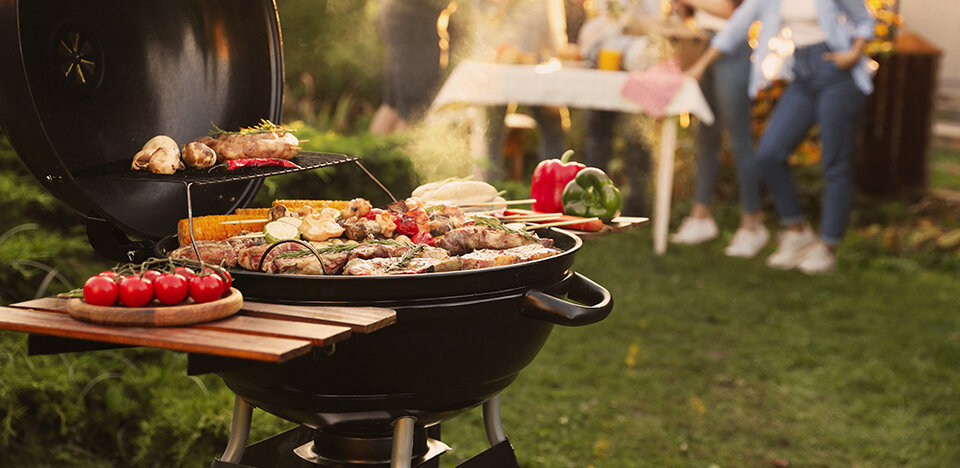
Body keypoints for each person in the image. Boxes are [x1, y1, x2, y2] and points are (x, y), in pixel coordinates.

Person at [685, 0, 875, 273]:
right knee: (769, 154)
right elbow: (736, 26)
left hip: (837, 74)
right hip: (803, 72)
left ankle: (828, 246)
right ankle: (797, 232)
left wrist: (854, 53)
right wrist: (702, 65)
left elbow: (865, 19)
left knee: (835, 164)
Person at [668, 0, 769, 258]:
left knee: (739, 142)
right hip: (700, 43)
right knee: (706, 138)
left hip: (731, 50)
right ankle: (701, 217)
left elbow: (729, 9)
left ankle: (752, 223)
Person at [370, 0, 448, 135]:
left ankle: (373, 155)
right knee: (413, 112)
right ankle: (403, 155)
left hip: (401, 15)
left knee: (392, 104)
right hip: (415, 23)